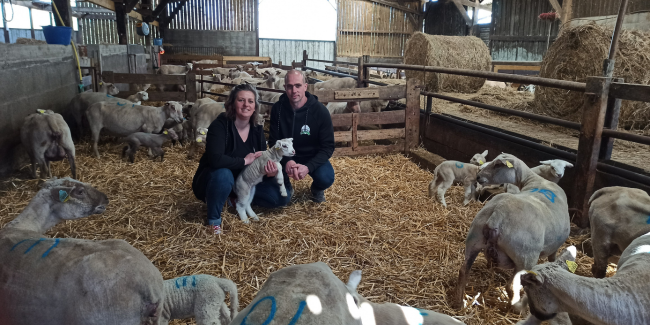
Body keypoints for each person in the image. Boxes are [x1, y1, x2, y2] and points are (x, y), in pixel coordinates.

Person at [191, 84, 278, 235]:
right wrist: (245, 161)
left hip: (242, 180)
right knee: (223, 174)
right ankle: (214, 221)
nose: (246, 105)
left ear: (255, 106)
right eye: (241, 100)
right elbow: (215, 160)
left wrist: (270, 171)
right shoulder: (220, 125)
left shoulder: (256, 128)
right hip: (214, 179)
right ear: (232, 103)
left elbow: (261, 158)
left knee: (278, 198)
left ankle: (233, 199)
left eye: (250, 101)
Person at [253, 70, 335, 206]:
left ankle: (317, 189)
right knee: (282, 199)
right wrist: (288, 161)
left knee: (326, 177)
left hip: (310, 156)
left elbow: (328, 147)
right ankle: (286, 185)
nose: (294, 90)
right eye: (290, 86)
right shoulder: (278, 109)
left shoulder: (320, 111)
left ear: (305, 86)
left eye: (298, 85)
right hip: (285, 156)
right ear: (284, 87)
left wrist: (308, 167)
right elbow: (274, 141)